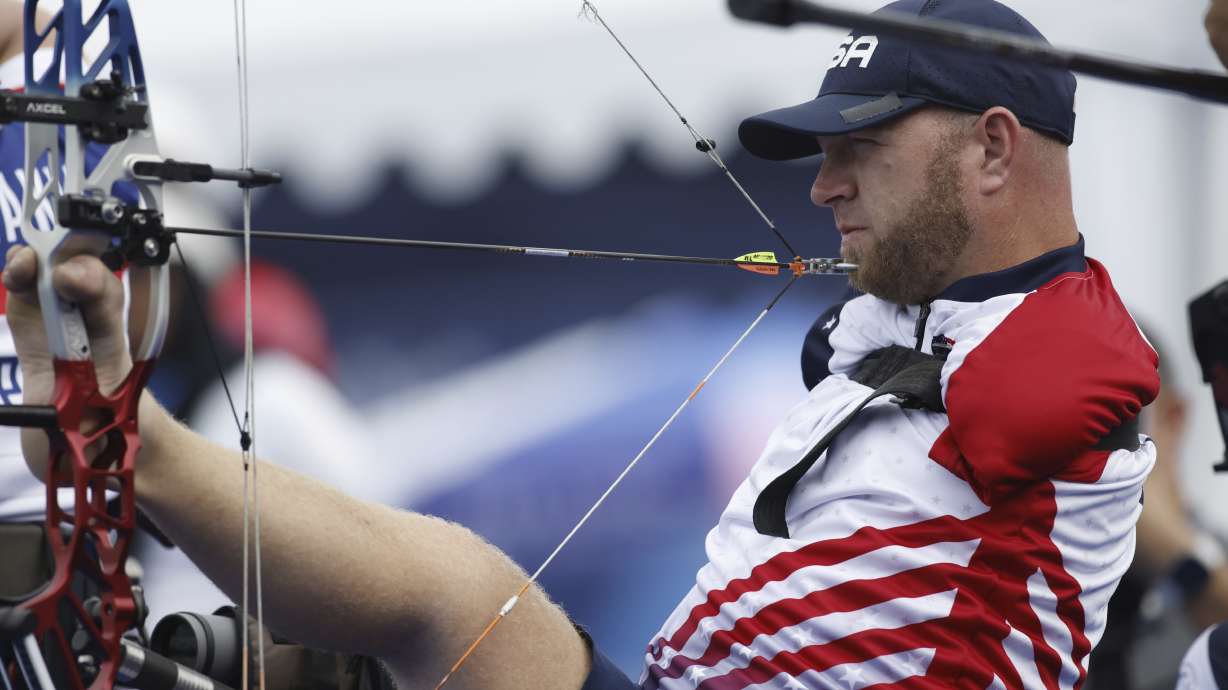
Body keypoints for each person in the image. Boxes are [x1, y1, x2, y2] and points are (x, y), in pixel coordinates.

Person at [3, 1, 1160, 689]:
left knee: (457, 597)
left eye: (864, 151)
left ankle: (128, 435)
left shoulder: (1070, 347)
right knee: (453, 597)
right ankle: (120, 431)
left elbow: (1087, 388)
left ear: (996, 153)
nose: (822, 185)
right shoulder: (899, 335)